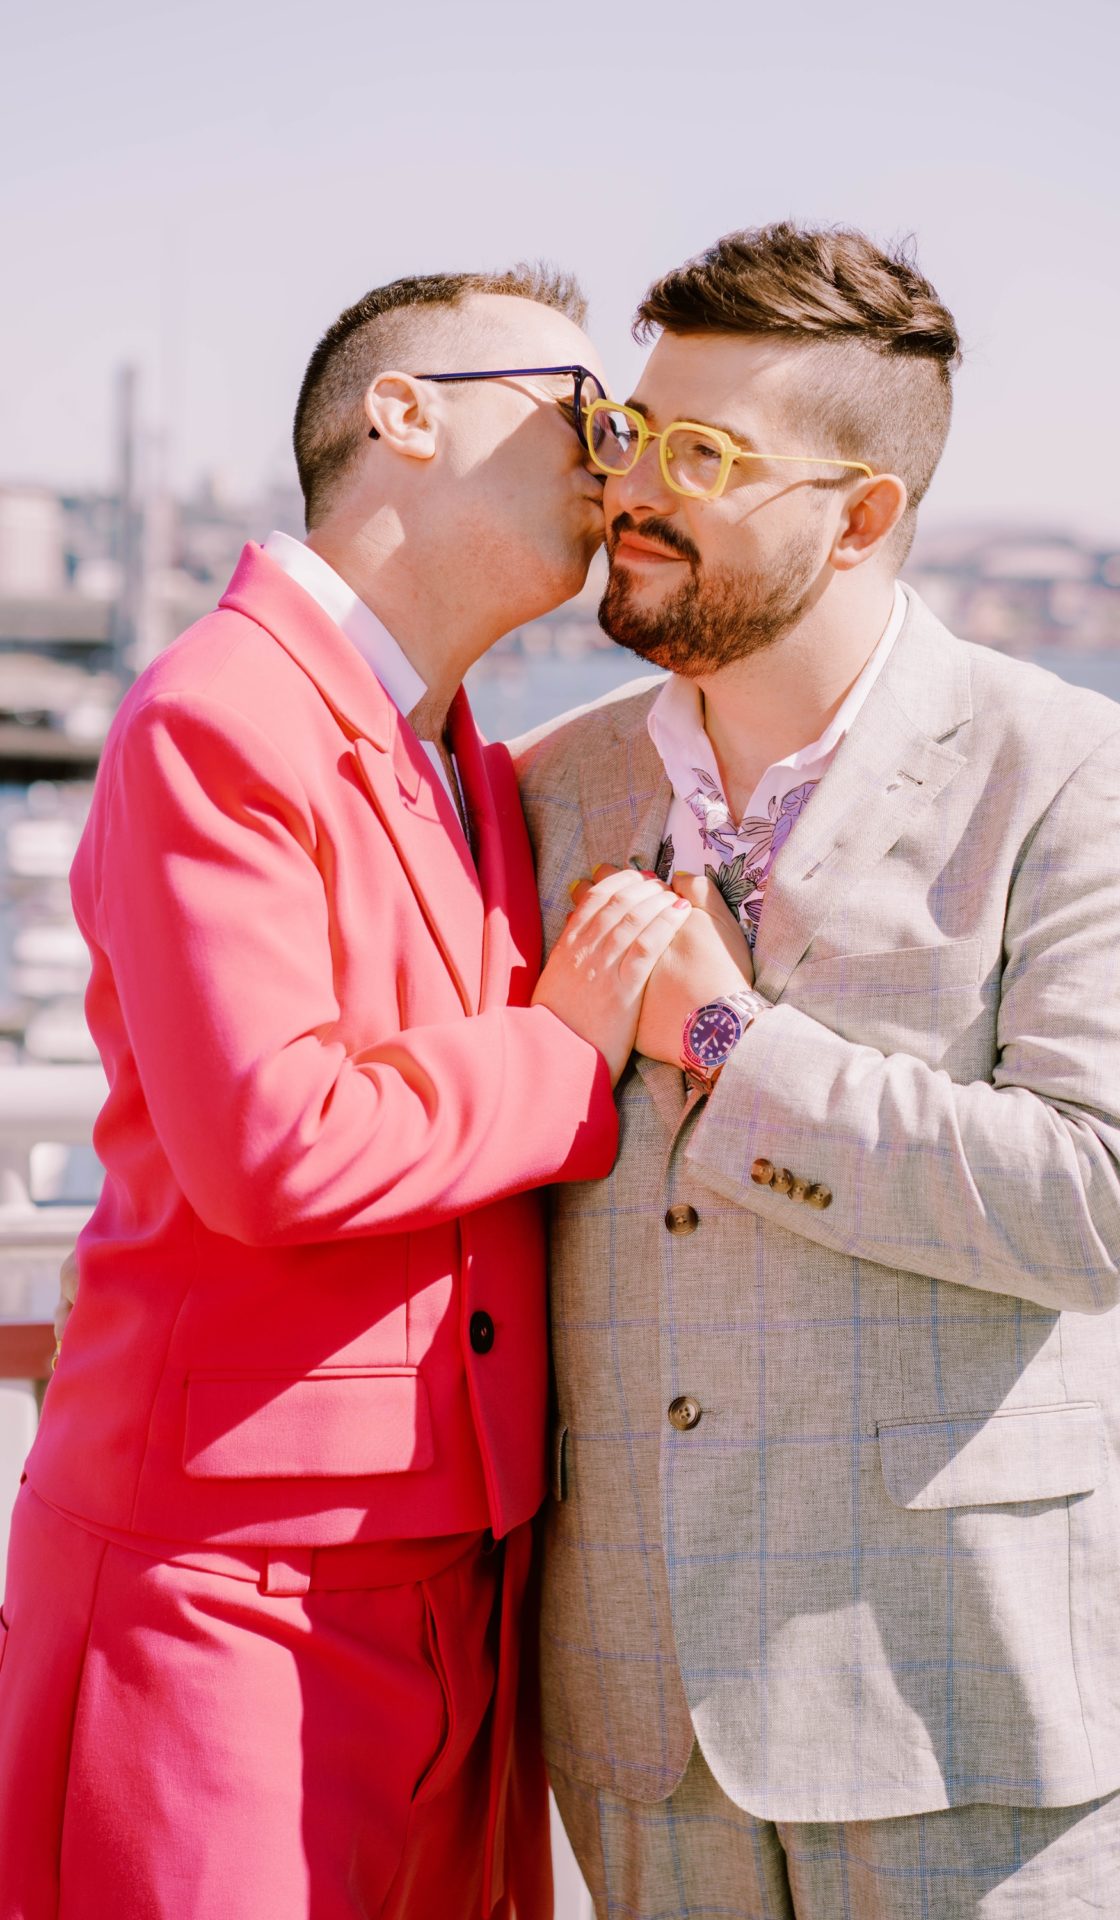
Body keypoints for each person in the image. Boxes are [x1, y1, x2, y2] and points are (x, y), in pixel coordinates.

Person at [511, 223, 1120, 1918]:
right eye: (630, 433)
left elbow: (1094, 1204)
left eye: (702, 453)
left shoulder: (1079, 774)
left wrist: (726, 1042)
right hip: (644, 1720)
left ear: (860, 516)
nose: (633, 487)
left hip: (985, 1707)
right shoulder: (544, 795)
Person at [0, 268, 695, 1917]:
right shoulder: (216, 715)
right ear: (405, 412)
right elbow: (274, 1143)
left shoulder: (463, 755)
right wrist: (562, 1041)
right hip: (229, 1587)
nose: (619, 459)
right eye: (587, 409)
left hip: (457, 1581)